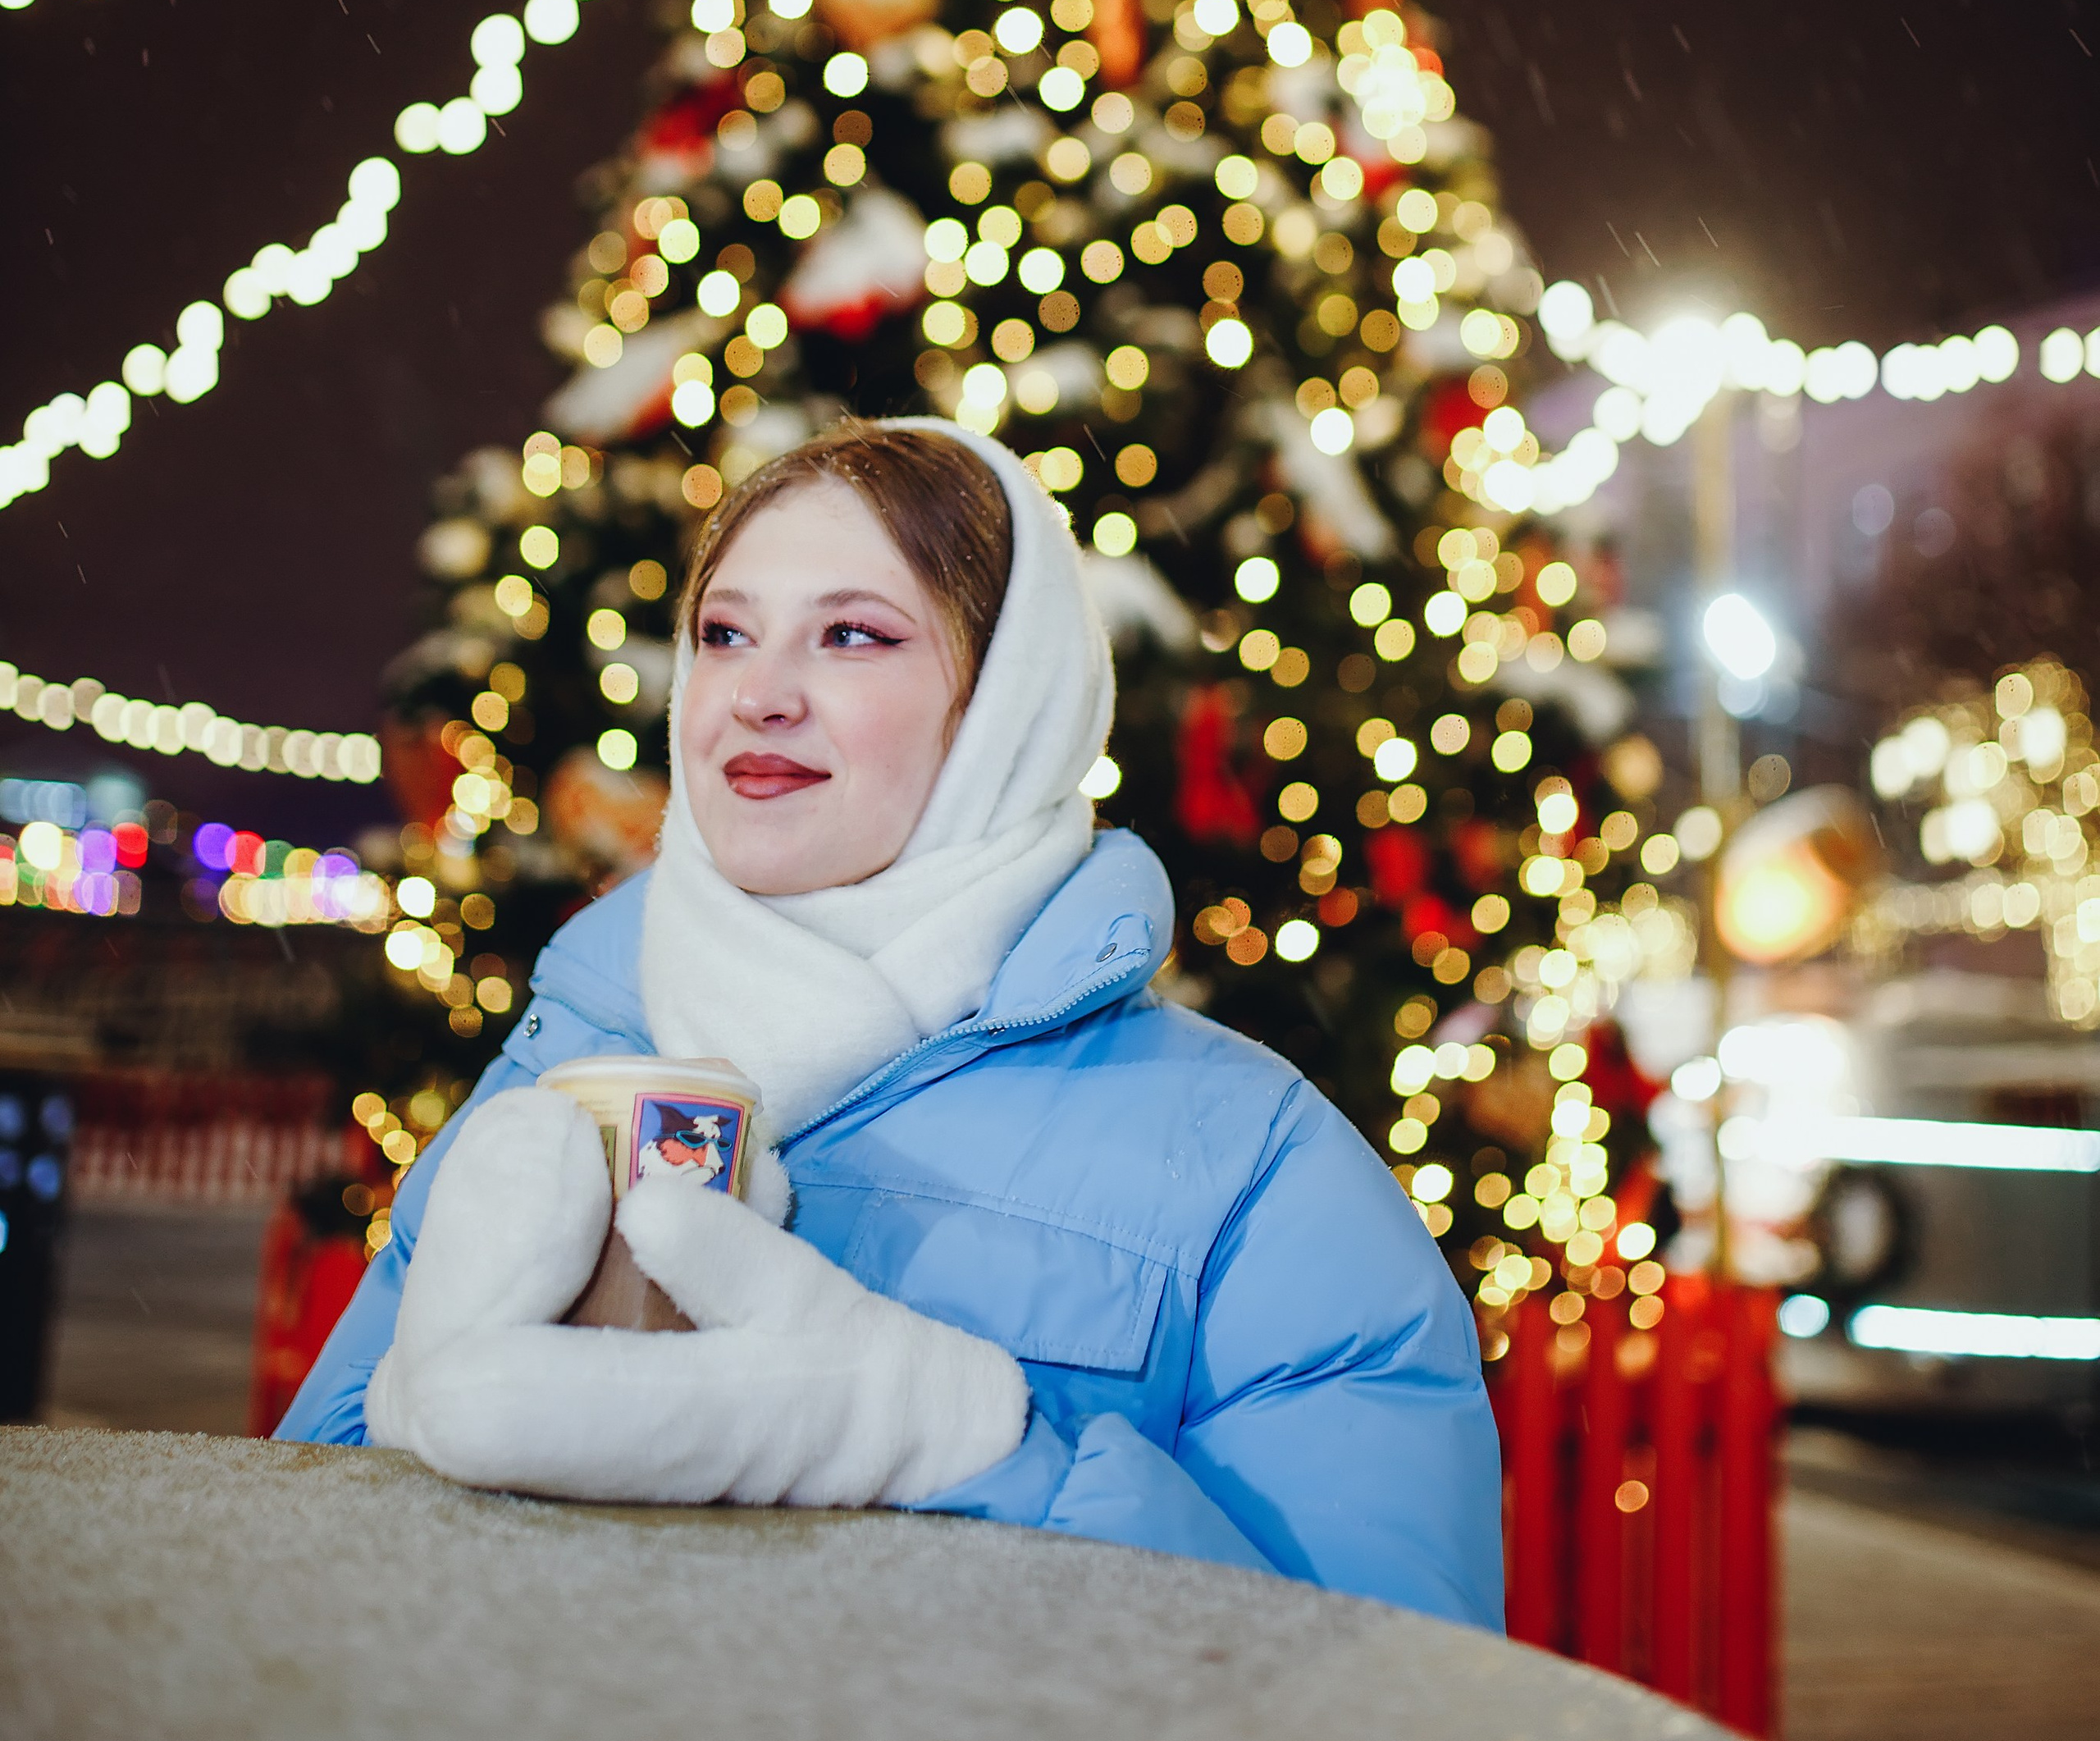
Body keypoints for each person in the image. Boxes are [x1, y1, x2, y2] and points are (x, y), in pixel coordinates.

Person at [281, 418, 1504, 1628]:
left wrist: (958, 1443)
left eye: (852, 635)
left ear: (1003, 712)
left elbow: (1390, 1714)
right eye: (724, 634)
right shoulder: (562, 1068)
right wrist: (417, 1415)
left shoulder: (1255, 1168)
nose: (757, 695)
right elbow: (294, 1558)